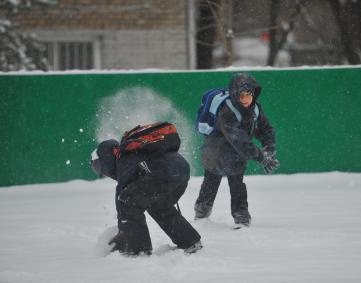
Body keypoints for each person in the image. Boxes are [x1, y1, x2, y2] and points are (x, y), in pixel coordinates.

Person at [91, 122, 202, 256]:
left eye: (99, 166)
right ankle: (190, 242)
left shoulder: (124, 157)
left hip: (163, 173)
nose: (103, 171)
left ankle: (138, 250)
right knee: (160, 207)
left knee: (127, 200)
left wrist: (123, 234)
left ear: (106, 158)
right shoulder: (133, 152)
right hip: (180, 171)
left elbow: (122, 196)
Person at [194, 73, 279, 227]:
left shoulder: (255, 110)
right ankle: (201, 215)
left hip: (236, 154)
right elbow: (239, 140)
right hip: (215, 151)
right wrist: (261, 157)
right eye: (242, 95)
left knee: (236, 183)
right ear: (235, 94)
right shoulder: (227, 111)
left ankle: (241, 218)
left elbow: (266, 130)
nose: (246, 98)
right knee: (212, 182)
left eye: (249, 94)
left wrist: (269, 149)